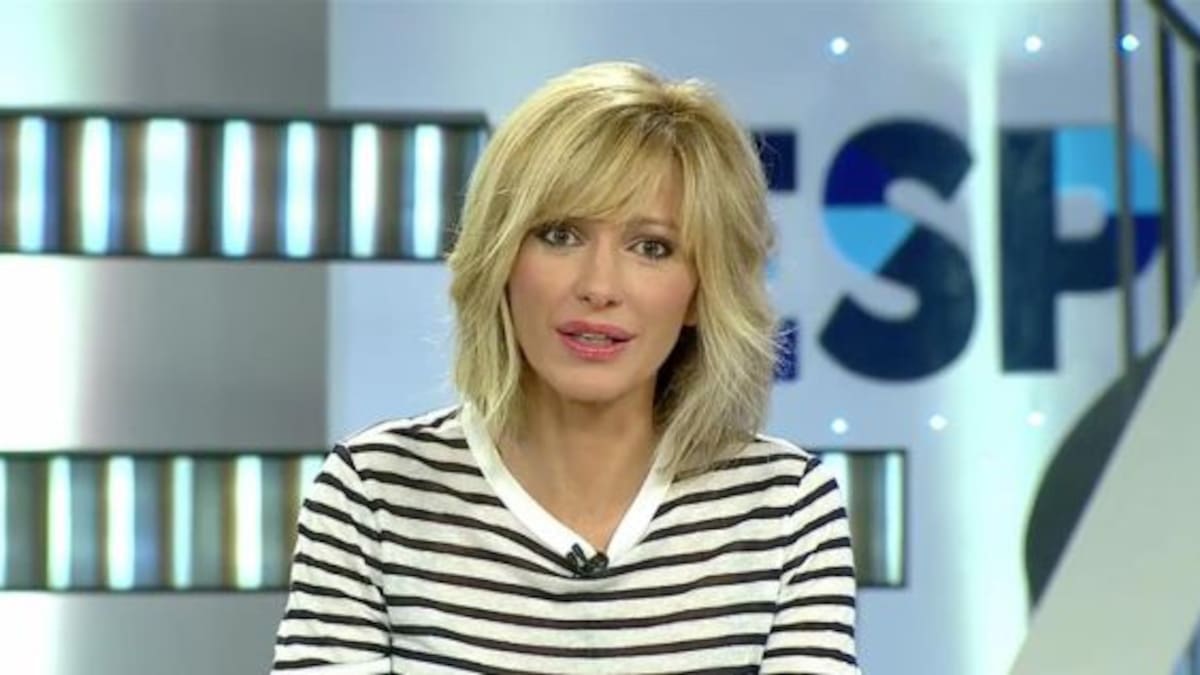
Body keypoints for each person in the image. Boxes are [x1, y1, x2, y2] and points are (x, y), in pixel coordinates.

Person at [272, 61, 858, 674]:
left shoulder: (785, 508)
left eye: (651, 247)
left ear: (701, 292)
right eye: (560, 235)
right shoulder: (374, 494)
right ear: (501, 258)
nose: (599, 286)